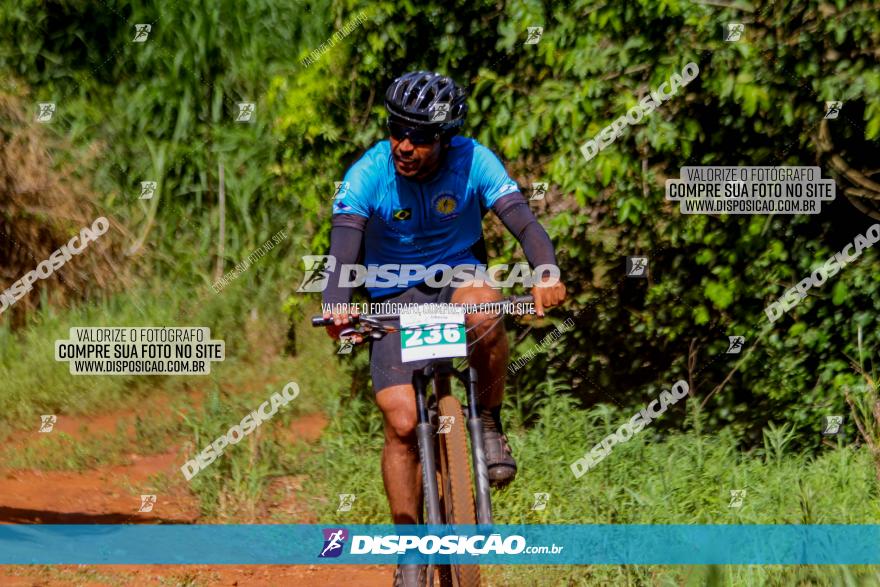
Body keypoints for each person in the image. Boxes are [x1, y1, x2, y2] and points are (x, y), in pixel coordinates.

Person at [320, 70, 565, 584]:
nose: (404, 145)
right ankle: (408, 548)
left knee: (486, 308)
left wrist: (545, 270)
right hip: (391, 295)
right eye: (396, 130)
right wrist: (337, 303)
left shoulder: (474, 160)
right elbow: (343, 250)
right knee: (402, 422)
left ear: (445, 137)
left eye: (420, 137)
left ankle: (490, 422)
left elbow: (522, 221)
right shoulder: (366, 173)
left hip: (458, 275)